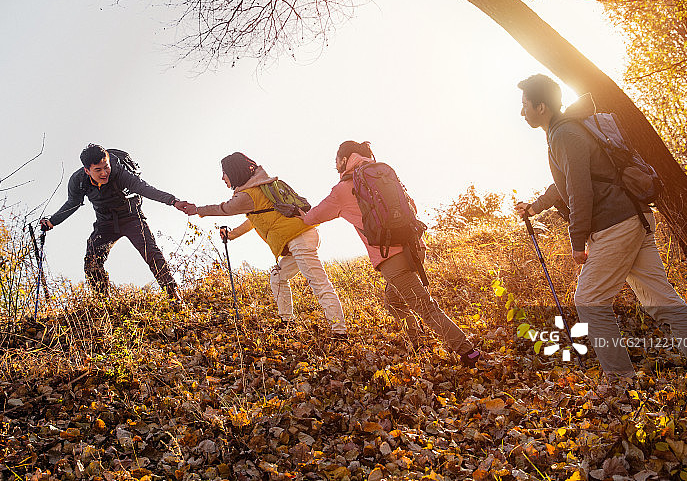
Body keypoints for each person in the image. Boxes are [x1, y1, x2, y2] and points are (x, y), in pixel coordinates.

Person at [514, 74, 687, 378]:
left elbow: (580, 191)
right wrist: (535, 207)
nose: (522, 112)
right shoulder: (567, 130)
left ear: (541, 106)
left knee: (588, 300)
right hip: (635, 218)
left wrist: (577, 241)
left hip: (616, 224)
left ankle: (620, 381)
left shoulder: (564, 134)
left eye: (525, 105)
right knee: (663, 301)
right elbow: (568, 182)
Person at [299, 141, 481, 367]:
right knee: (393, 301)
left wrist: (299, 213)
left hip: (390, 257)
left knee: (424, 305)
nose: (334, 164)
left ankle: (467, 351)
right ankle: (418, 344)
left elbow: (312, 218)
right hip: (415, 246)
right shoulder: (383, 175)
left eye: (336, 159)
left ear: (345, 159)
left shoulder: (343, 189)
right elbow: (412, 206)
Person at [180, 152, 348, 339]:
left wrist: (197, 210)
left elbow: (225, 209)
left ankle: (339, 331)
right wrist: (232, 234)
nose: (222, 178)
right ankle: (287, 323)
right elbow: (254, 221)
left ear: (234, 172)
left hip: (298, 238)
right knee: (277, 276)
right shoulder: (261, 187)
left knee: (318, 282)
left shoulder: (248, 194)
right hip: (300, 236)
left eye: (224, 173)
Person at [40, 144, 188, 301]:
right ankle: (103, 303)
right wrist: (52, 222)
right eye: (98, 170)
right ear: (87, 171)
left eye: (106, 167)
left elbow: (144, 188)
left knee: (151, 252)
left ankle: (174, 296)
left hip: (131, 217)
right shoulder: (78, 181)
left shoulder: (120, 172)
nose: (104, 173)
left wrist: (173, 201)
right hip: (106, 224)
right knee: (92, 260)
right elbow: (72, 204)